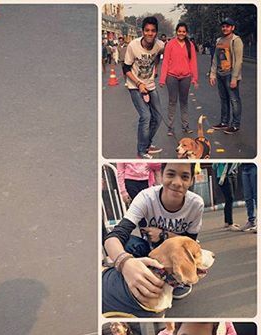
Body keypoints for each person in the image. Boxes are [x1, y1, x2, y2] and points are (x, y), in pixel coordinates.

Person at [102, 163, 203, 316]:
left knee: (199, 257)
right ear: (160, 176)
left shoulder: (196, 204)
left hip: (177, 256)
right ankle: (137, 281)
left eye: (185, 177)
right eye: (170, 174)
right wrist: (125, 263)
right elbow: (113, 237)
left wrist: (163, 234)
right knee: (128, 244)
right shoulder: (146, 197)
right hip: (150, 251)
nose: (176, 182)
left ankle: (177, 279)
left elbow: (191, 243)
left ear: (191, 181)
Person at [123, 17, 165, 159]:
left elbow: (162, 55)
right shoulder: (133, 46)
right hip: (135, 85)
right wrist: (139, 84)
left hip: (150, 84)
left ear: (156, 33)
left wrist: (156, 67)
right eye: (147, 30)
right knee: (146, 116)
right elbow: (126, 68)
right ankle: (141, 151)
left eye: (153, 31)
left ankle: (147, 143)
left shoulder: (160, 45)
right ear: (142, 31)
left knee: (158, 117)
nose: (150, 33)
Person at [160, 23, 198, 137]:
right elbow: (165, 61)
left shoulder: (190, 45)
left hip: (186, 77)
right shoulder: (170, 44)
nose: (181, 33)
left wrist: (194, 78)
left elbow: (193, 62)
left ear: (186, 33)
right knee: (172, 102)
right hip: (171, 77)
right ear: (176, 32)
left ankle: (185, 126)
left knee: (184, 102)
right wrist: (162, 79)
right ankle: (170, 127)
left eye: (184, 31)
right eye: (179, 31)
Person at [209, 18, 243, 135]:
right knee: (224, 99)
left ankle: (235, 125)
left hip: (230, 74)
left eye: (227, 26)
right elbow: (215, 58)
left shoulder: (236, 40)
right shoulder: (219, 40)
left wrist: (234, 78)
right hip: (220, 73)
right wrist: (212, 74)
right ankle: (224, 122)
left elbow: (238, 61)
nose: (225, 28)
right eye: (223, 26)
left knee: (234, 100)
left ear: (232, 28)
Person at [215, 163, 240, 230]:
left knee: (230, 199)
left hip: (233, 173)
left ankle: (227, 222)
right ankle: (230, 223)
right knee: (229, 198)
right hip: (223, 175)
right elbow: (214, 166)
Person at [240, 164, 256, 233]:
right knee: (247, 197)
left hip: (254, 166)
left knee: (256, 195)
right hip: (244, 168)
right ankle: (251, 221)